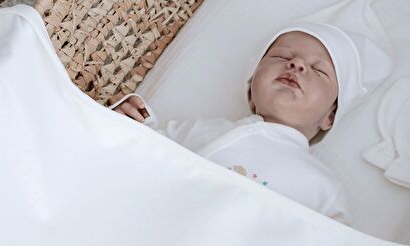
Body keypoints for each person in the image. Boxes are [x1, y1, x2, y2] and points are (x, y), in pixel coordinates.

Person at [110, 22, 393, 226]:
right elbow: (144, 155)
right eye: (281, 57)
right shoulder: (202, 130)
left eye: (319, 71)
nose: (296, 64)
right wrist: (132, 120)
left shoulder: (323, 189)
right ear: (250, 90)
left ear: (329, 116)